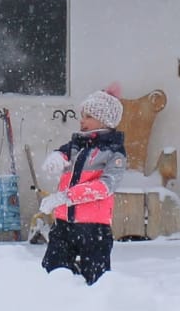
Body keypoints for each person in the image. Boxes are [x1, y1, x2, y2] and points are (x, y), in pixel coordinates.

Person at [39, 85, 128, 285]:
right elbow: (63, 153)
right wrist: (56, 158)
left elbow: (105, 186)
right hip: (63, 225)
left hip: (94, 229)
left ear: (104, 121)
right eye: (82, 115)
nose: (82, 120)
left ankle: (96, 302)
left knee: (95, 279)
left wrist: (67, 196)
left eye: (88, 116)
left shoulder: (114, 153)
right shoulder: (76, 145)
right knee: (53, 272)